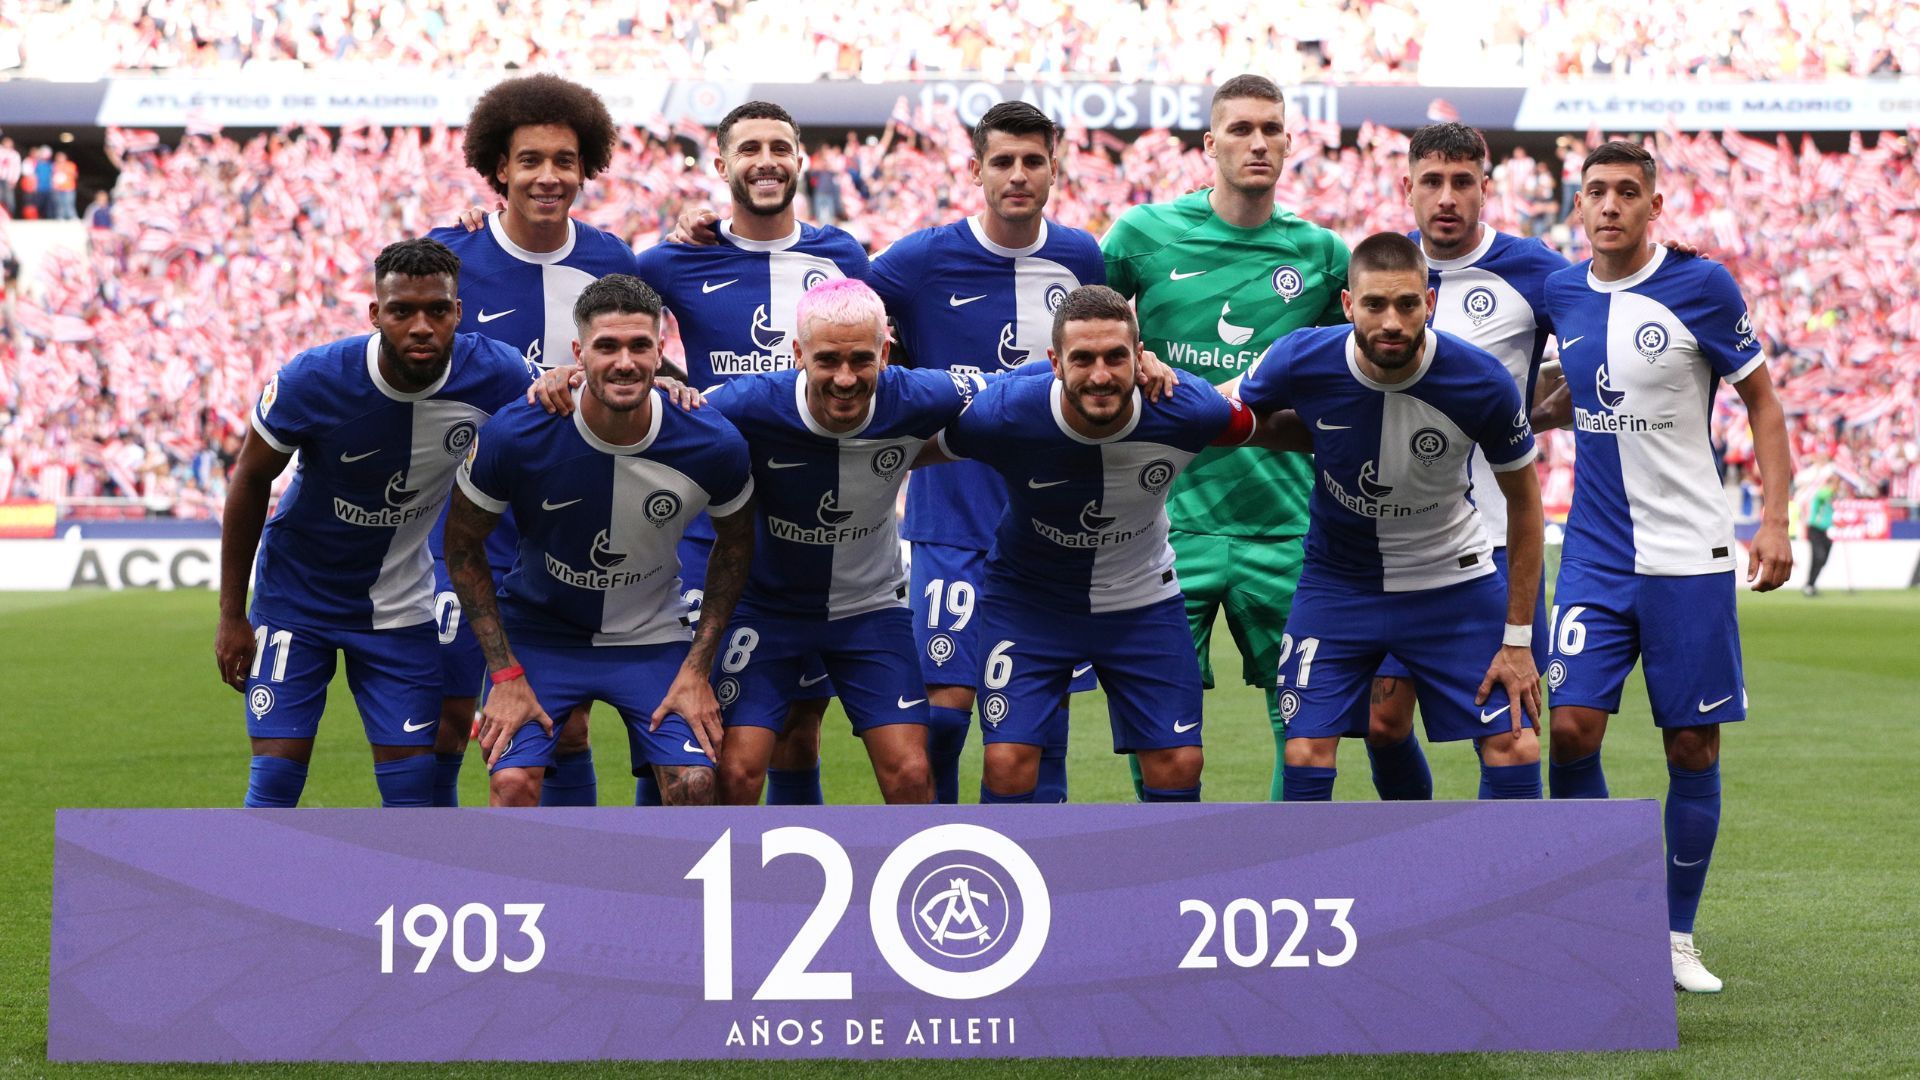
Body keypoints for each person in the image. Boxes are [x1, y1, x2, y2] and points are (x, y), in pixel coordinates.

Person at [1540, 139, 1794, 994]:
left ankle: (1676, 935)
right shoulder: (1561, 289)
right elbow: (1556, 386)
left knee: (1690, 741)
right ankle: (1607, 912)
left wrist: (1776, 521)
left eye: (1626, 193)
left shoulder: (1703, 287)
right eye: (1595, 193)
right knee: (1570, 728)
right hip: (1594, 556)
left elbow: (1763, 401)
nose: (1608, 205)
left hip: (1690, 555)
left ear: (1654, 206)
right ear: (1579, 207)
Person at [935, 285, 1303, 803]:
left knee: (1178, 762)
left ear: (1139, 355)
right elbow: (921, 448)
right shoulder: (1007, 412)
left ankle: (1160, 883)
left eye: (1116, 356)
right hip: (1028, 603)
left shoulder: (1186, 408)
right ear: (1055, 363)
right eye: (1082, 359)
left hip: (1142, 601)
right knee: (1007, 762)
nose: (1101, 375)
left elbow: (1272, 428)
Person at [212, 238, 535, 808]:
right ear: (374, 314)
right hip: (296, 599)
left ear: (458, 313)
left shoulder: (497, 375)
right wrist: (231, 614)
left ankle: (412, 897)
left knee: (413, 788)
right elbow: (249, 479)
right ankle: (251, 896)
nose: (420, 326)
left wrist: (664, 383)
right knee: (277, 775)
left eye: (437, 310)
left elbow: (582, 392)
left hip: (399, 605)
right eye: (401, 310)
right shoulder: (315, 379)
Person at [1101, 74, 1349, 802]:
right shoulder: (1142, 237)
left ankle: (1289, 875)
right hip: (1166, 526)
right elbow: (1087, 333)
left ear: (1290, 144)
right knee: (1161, 733)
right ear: (1210, 144)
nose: (1258, 142)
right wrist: (1135, 352)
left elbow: (1347, 385)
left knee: (1304, 730)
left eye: (1271, 129)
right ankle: (1169, 880)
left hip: (1287, 527)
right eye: (1241, 129)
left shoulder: (1323, 255)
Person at [1231, 232, 1545, 803]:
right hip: (1338, 584)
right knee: (1304, 750)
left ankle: (1512, 892)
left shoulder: (1480, 381)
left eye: (1406, 304)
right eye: (1374, 304)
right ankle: (1318, 886)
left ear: (1429, 301)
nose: (1392, 321)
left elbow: (1526, 505)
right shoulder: (1303, 358)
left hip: (1452, 579)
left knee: (1516, 743)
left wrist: (1518, 641)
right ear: (1349, 305)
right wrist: (1157, 383)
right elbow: (1228, 410)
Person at [867, 100, 1105, 804]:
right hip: (951, 519)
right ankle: (935, 862)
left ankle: (1043, 869)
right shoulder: (920, 261)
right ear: (975, 170)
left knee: (1041, 718)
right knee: (944, 713)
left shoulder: (1081, 256)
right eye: (1002, 161)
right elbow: (840, 304)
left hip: (1052, 526)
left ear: (1055, 169)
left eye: (1034, 161)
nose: (1018, 174)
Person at [635, 100, 870, 807]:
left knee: (800, 727)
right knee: (687, 727)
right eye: (749, 149)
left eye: (779, 147)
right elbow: (613, 333)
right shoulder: (677, 259)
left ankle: (796, 885)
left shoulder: (842, 256)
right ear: (722, 165)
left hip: (810, 527)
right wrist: (675, 392)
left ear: (800, 159)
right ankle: (670, 892)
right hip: (706, 526)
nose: (765, 160)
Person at [445, 275, 754, 807]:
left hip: (653, 634)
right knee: (512, 784)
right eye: (606, 346)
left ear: (661, 350)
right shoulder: (517, 433)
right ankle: (546, 892)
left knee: (695, 784)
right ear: (577, 353)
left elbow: (737, 544)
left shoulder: (711, 440)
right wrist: (504, 673)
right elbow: (461, 545)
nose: (624, 362)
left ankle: (656, 893)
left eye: (639, 345)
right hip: (540, 635)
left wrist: (697, 669)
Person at [429, 73, 642, 808]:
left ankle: (569, 874)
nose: (548, 176)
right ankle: (446, 875)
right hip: (465, 517)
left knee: (569, 721)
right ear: (498, 168)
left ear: (586, 167)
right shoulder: (448, 256)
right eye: (529, 160)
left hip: (568, 522)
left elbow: (641, 363)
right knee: (454, 714)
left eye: (564, 159)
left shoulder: (615, 260)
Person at [1363, 122, 1568, 801]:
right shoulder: (1377, 272)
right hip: (1397, 542)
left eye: (1461, 182)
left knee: (1510, 729)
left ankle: (1510, 899)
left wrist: (1539, 412)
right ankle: (1417, 868)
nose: (1446, 197)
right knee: (1383, 722)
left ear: (1486, 188)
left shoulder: (1534, 270)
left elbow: (1601, 334)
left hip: (1498, 544)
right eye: (1431, 182)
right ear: (1408, 188)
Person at [1803, 469, 1837, 595]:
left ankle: (1811, 584)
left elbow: (1827, 514)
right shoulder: (1823, 492)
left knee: (1824, 553)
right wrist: (1833, 487)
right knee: (1818, 556)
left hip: (1823, 531)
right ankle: (1809, 585)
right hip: (1815, 529)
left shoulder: (1829, 498)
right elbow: (1824, 495)